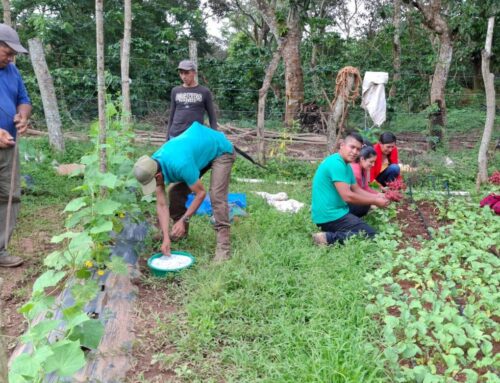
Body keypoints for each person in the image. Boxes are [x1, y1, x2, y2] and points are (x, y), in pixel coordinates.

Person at [134, 122, 235, 262]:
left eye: (154, 183)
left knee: (217, 196)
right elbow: (162, 205)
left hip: (220, 150)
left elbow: (201, 193)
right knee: (175, 192)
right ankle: (179, 232)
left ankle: (223, 248)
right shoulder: (153, 165)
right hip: (197, 152)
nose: (155, 186)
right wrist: (165, 237)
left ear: (157, 176)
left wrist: (185, 218)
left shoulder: (180, 165)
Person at [165, 60, 219, 232]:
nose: (183, 76)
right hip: (176, 135)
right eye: (181, 73)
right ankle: (177, 219)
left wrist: (214, 135)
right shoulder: (176, 91)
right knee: (177, 176)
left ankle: (189, 197)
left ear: (194, 72)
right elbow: (172, 114)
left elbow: (211, 115)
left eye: (186, 72)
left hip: (194, 140)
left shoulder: (203, 92)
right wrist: (168, 138)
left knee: (189, 173)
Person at [311, 132, 390, 246]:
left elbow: (357, 190)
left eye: (358, 149)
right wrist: (375, 201)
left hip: (337, 209)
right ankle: (327, 238)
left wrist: (377, 196)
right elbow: (347, 196)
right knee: (371, 234)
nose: (354, 152)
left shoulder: (346, 165)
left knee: (364, 205)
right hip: (328, 216)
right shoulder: (336, 163)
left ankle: (347, 226)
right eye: (352, 147)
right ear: (342, 145)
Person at [0, 24, 32, 268]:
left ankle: (0, 250)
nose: (11, 58)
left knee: (8, 195)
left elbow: (23, 99)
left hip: (7, 145)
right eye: (7, 52)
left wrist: (22, 116)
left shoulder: (11, 71)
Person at [348, 143, 384, 218]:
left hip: (350, 199)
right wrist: (375, 199)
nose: (373, 165)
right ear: (362, 159)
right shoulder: (356, 171)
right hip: (344, 203)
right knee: (365, 204)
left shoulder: (364, 169)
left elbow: (366, 188)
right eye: (371, 162)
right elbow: (357, 193)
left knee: (368, 201)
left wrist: (378, 195)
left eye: (374, 162)